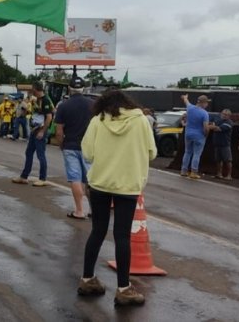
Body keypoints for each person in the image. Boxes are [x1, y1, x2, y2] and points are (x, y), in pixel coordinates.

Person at [77, 90, 157, 307]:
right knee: (122, 236)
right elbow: (152, 153)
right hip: (128, 185)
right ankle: (123, 289)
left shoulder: (98, 121)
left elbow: (87, 153)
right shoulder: (141, 120)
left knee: (98, 230)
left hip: (100, 183)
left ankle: (87, 279)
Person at [54, 77, 94, 220]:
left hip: (70, 146)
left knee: (75, 178)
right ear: (84, 89)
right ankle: (94, 210)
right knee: (90, 180)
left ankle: (79, 210)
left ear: (69, 89)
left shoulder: (63, 106)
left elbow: (59, 131)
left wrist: (61, 144)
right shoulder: (93, 105)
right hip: (89, 147)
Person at [12, 82, 54, 186]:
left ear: (36, 89)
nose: (32, 91)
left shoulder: (46, 100)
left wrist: (42, 131)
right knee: (29, 153)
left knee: (40, 155)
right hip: (34, 129)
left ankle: (42, 178)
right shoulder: (37, 100)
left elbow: (49, 117)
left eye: (33, 89)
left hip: (40, 130)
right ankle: (24, 177)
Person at [180, 94, 213, 179]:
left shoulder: (190, 108)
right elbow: (205, 127)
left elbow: (186, 101)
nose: (207, 105)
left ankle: (184, 170)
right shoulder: (204, 113)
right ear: (203, 103)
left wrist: (185, 97)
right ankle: (193, 172)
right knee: (197, 154)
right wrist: (206, 135)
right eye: (206, 103)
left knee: (187, 152)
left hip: (188, 133)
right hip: (199, 135)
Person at [213, 109, 234, 179]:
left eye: (226, 115)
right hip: (217, 143)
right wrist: (213, 126)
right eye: (223, 114)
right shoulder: (218, 121)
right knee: (218, 160)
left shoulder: (229, 122)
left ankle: (229, 175)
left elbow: (218, 129)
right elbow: (214, 126)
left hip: (225, 144)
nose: (224, 115)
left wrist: (211, 126)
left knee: (228, 160)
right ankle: (219, 174)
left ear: (229, 116)